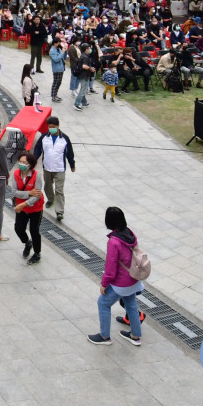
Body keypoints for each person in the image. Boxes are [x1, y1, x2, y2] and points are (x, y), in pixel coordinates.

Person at [88, 206, 144, 346]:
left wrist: (104, 283)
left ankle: (104, 336)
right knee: (131, 304)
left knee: (103, 303)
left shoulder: (114, 242)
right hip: (134, 277)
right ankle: (135, 336)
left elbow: (111, 267)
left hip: (122, 282)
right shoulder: (129, 234)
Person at [32, 116, 75, 223]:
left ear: (58, 126)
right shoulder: (44, 138)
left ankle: (59, 211)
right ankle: (51, 199)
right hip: (47, 167)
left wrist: (72, 164)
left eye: (53, 127)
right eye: (49, 127)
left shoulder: (65, 138)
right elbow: (37, 149)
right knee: (47, 185)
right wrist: (33, 161)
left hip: (60, 168)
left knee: (59, 190)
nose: (51, 129)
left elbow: (70, 153)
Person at [11, 151, 44, 265]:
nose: (22, 164)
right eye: (20, 161)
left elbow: (38, 195)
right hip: (21, 208)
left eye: (24, 162)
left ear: (31, 164)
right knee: (18, 228)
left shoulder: (37, 175)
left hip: (35, 208)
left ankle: (37, 254)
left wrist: (23, 203)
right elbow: (14, 192)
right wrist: (29, 192)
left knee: (34, 230)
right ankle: (27, 243)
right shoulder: (15, 174)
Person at [48, 35, 67, 102]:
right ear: (55, 43)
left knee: (59, 82)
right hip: (56, 69)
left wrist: (63, 51)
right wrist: (63, 52)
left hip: (61, 68)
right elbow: (56, 59)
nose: (59, 44)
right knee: (55, 82)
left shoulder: (58, 49)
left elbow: (62, 57)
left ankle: (55, 95)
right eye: (58, 43)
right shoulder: (52, 51)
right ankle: (53, 96)